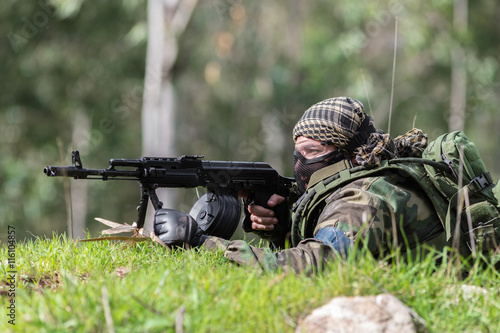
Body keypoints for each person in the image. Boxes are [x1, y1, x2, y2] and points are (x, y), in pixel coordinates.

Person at [154, 97, 447, 274]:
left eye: (312, 152)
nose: (299, 164)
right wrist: (283, 230)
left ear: (350, 154)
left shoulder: (360, 200)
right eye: (297, 152)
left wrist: (202, 244)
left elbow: (314, 268)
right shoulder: (375, 181)